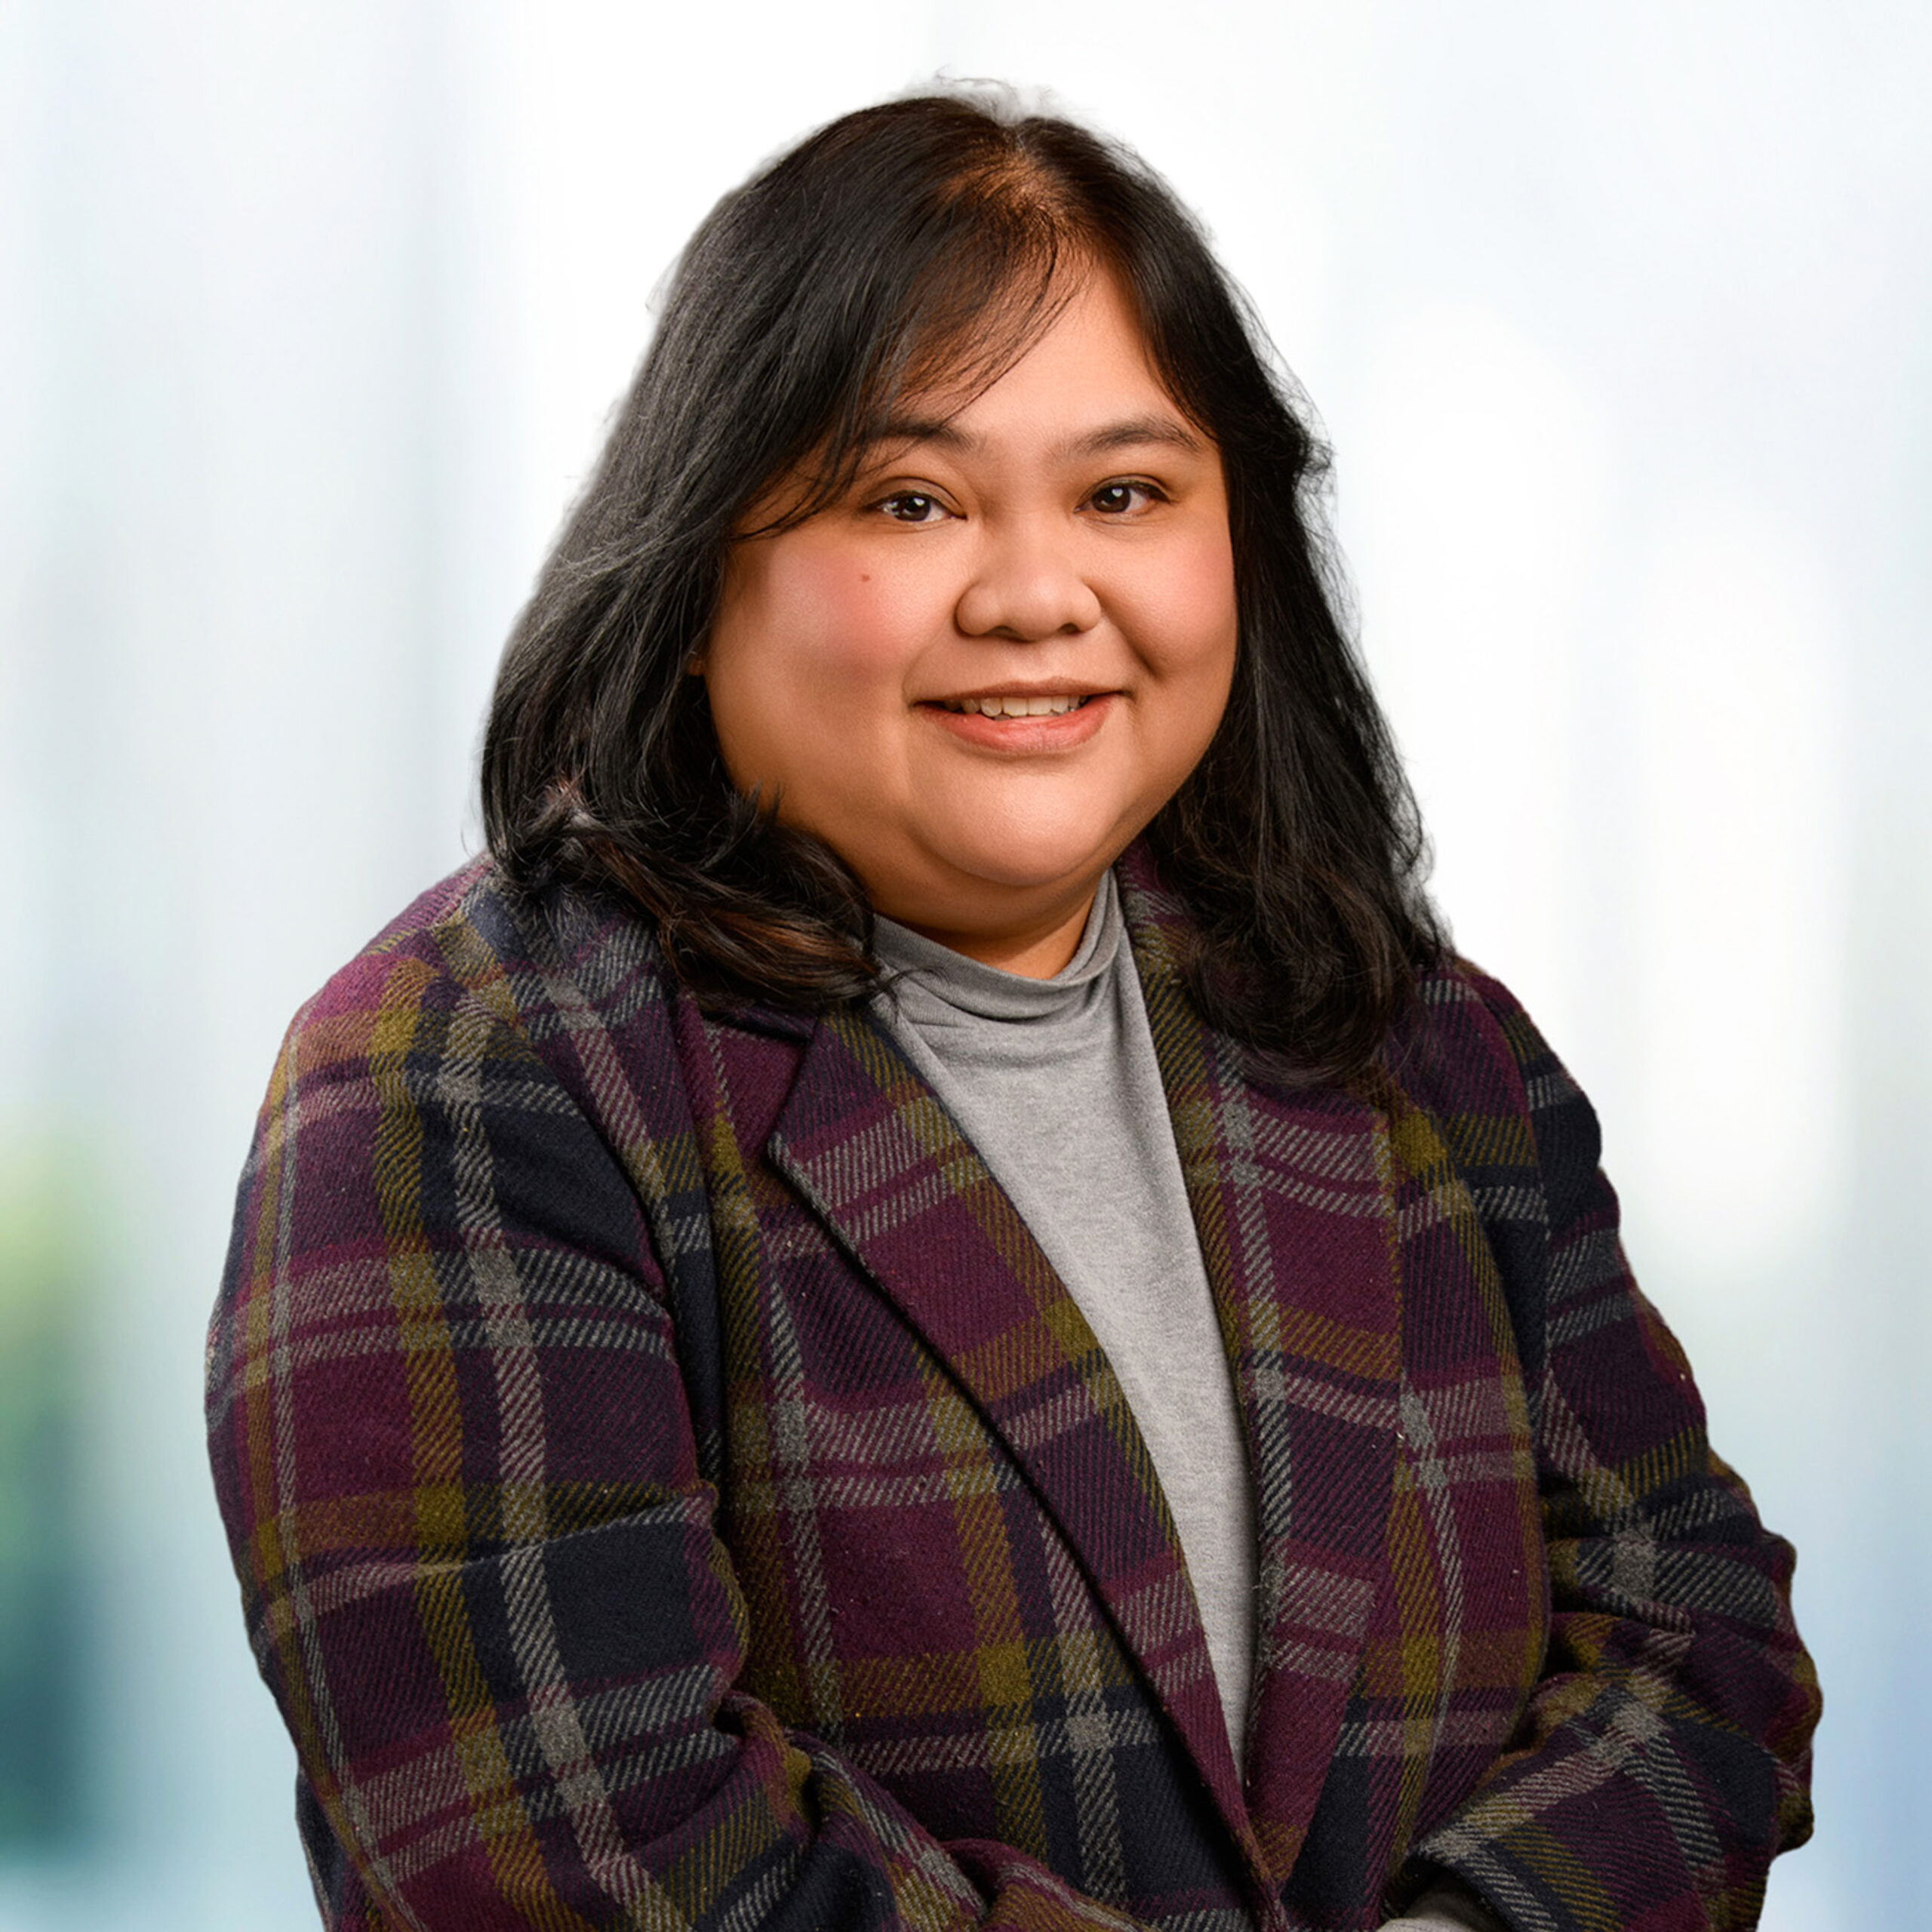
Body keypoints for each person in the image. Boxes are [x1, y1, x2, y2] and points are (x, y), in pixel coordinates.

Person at [205, 91, 1819, 1932]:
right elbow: (587, 1858)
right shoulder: (468, 1074)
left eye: (1125, 493)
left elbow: (1696, 1632)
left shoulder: (1416, 1041)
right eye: (908, 499)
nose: (1040, 593)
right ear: (699, 560)